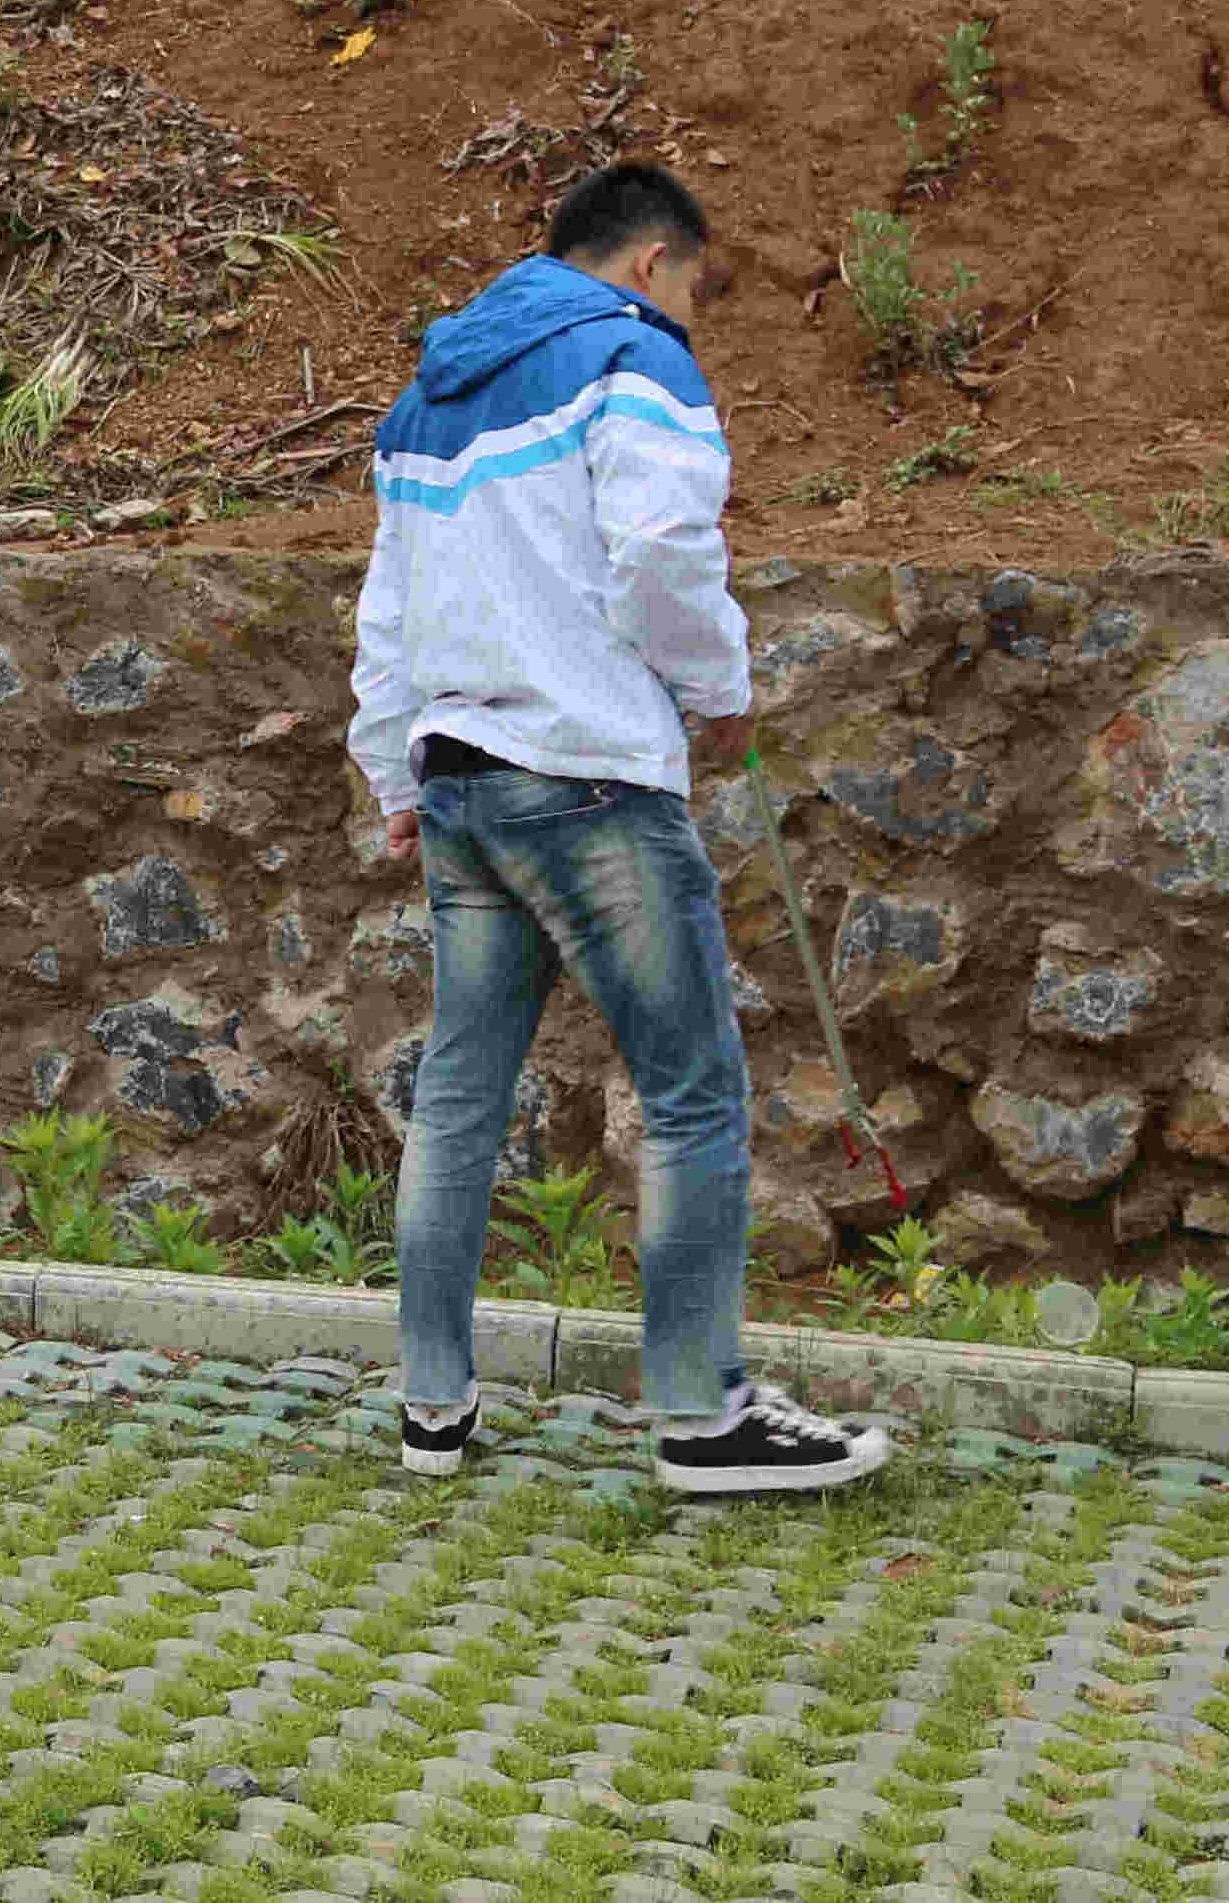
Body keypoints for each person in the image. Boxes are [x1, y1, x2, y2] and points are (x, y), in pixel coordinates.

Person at [346, 162, 890, 1496]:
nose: (693, 314)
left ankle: (431, 1405)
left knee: (457, 1099)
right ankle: (704, 1419)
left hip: (460, 781)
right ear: (652, 261)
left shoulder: (426, 398)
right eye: (697, 287)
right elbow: (658, 549)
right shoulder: (632, 355)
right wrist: (720, 691)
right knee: (692, 1092)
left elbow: (385, 613)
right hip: (587, 778)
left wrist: (392, 775)